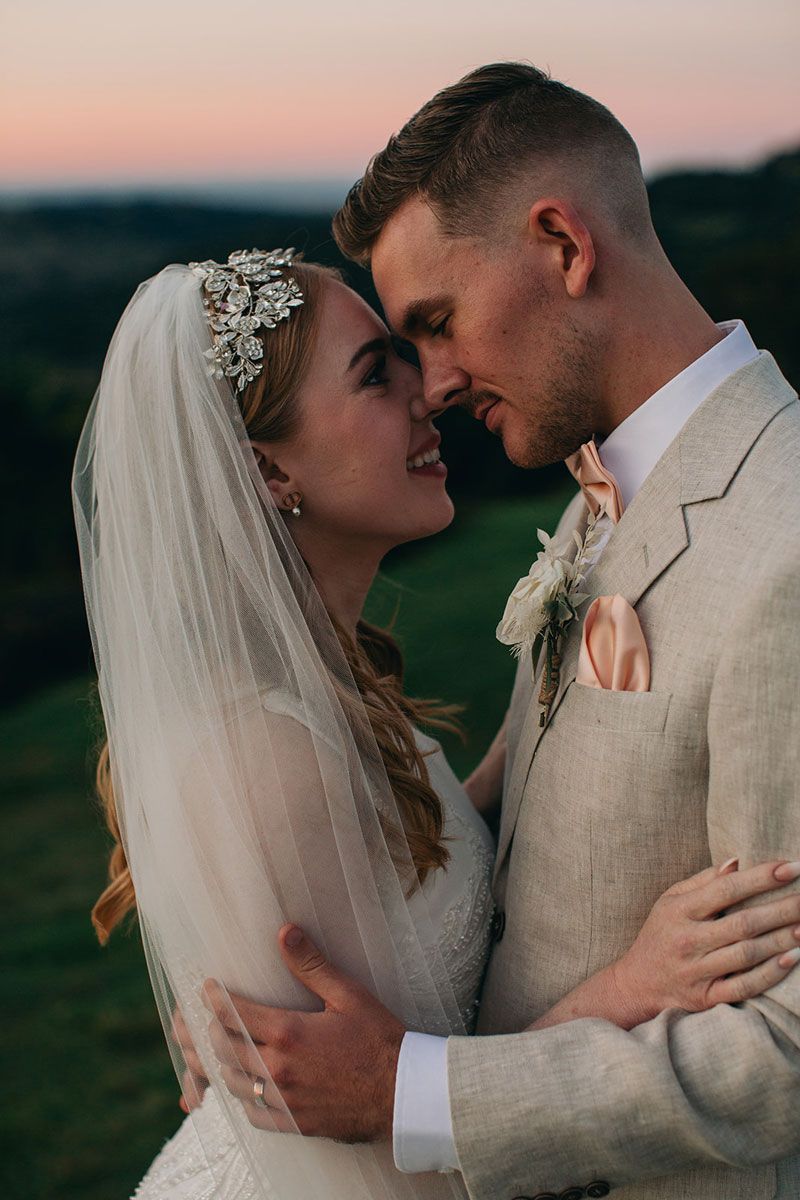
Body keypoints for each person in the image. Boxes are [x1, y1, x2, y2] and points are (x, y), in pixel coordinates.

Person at [198, 63, 800, 1200]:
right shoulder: (594, 497)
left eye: (433, 323)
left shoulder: (786, 542)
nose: (429, 385)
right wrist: (242, 1003)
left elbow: (787, 1048)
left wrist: (412, 1097)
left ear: (563, 246)